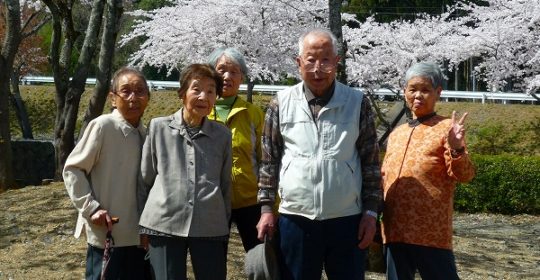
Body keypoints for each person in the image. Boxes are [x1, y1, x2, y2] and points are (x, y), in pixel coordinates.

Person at [256, 28, 383, 280]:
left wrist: (370, 212)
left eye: (325, 60)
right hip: (296, 218)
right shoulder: (281, 102)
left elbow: (371, 162)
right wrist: (266, 209)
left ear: (337, 62)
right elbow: (269, 161)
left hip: (347, 219)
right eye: (310, 60)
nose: (317, 68)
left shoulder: (357, 102)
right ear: (298, 62)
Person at [381, 62, 476, 280]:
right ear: (404, 91)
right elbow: (384, 177)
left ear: (438, 93)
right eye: (412, 89)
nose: (418, 95)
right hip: (394, 230)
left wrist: (457, 147)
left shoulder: (446, 129)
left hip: (430, 231)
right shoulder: (397, 133)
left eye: (425, 90)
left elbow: (465, 175)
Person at [138, 63, 232, 280]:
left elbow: (225, 184)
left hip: (210, 225)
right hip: (163, 223)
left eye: (211, 91)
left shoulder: (222, 136)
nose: (204, 97)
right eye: (196, 89)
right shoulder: (158, 128)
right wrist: (142, 226)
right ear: (182, 93)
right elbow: (145, 179)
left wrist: (223, 224)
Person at [63, 67, 151, 280]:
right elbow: (73, 168)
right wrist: (91, 207)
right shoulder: (103, 126)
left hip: (140, 237)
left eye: (140, 91)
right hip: (107, 232)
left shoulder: (147, 133)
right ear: (113, 98)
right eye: (126, 91)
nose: (133, 97)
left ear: (148, 97)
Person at [207, 47, 265, 252]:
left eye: (234, 71)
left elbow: (267, 160)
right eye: (221, 70)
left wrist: (271, 204)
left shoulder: (254, 114)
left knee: (260, 262)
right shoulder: (200, 112)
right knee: (212, 266)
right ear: (211, 73)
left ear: (242, 77)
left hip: (250, 200)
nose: (227, 76)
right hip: (211, 203)